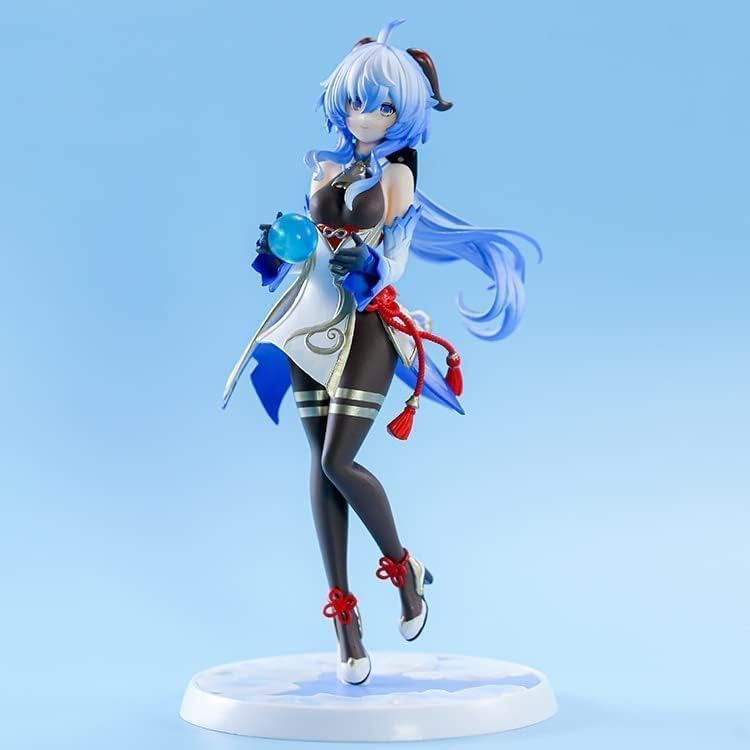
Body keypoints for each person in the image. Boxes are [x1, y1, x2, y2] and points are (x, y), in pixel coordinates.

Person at [222, 19, 541, 685]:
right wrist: (277, 250)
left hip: (366, 323)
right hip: (310, 323)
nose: (365, 116)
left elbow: (383, 252)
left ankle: (404, 570)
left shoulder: (397, 176)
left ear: (408, 111)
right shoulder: (326, 166)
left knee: (338, 460)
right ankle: (345, 621)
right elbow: (308, 243)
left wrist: (356, 259)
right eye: (355, 101)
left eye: (384, 106)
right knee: (320, 467)